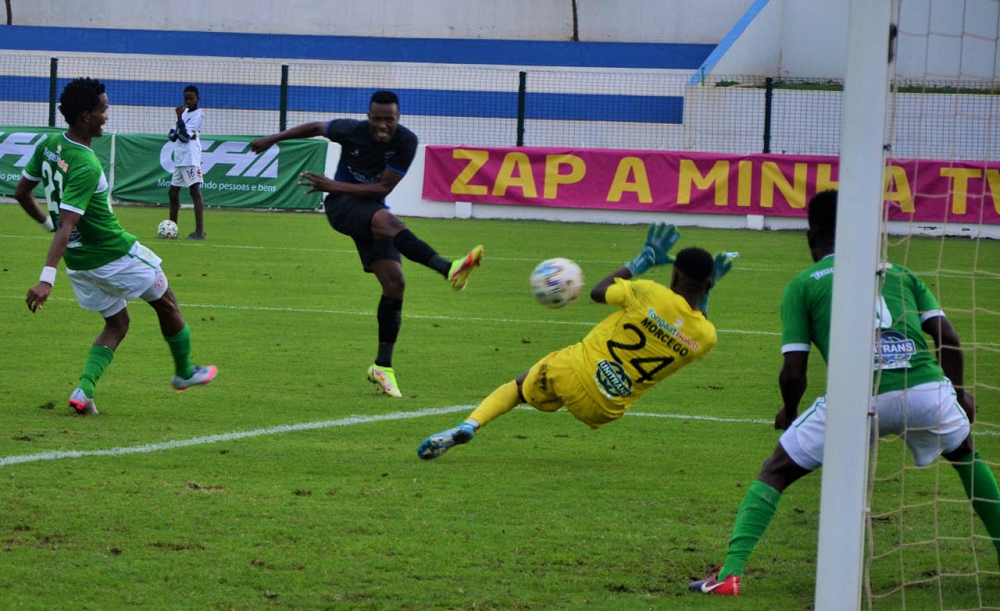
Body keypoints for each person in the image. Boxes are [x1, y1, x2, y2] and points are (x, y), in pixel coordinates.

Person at [689, 190, 1000, 596]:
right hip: (924, 389)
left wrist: (790, 411)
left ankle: (729, 575)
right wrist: (959, 394)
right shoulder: (901, 273)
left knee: (776, 471)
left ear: (810, 235)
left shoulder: (803, 284)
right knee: (966, 455)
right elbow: (949, 339)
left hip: (856, 399)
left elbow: (794, 370)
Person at [417, 223, 735, 459]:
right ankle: (476, 423)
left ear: (674, 276)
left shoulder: (651, 292)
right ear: (708, 284)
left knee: (519, 387)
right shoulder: (707, 337)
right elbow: (696, 320)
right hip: (605, 408)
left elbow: (598, 292)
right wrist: (707, 290)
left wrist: (642, 260)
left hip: (572, 371)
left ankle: (471, 425)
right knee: (562, 390)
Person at [250, 90, 483, 398]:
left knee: (395, 283)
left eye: (389, 119)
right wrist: (272, 139)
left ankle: (382, 367)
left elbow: (383, 187)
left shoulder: (406, 142)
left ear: (398, 118)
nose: (383, 125)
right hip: (341, 207)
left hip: (369, 205)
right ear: (368, 117)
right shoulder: (350, 130)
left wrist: (333, 183)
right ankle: (448, 268)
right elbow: (317, 127)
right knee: (389, 223)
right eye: (377, 119)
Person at [16, 77, 217, 416]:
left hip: (79, 263)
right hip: (113, 254)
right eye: (103, 110)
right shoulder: (86, 164)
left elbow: (22, 193)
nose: (107, 116)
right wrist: (46, 278)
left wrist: (46, 224)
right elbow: (67, 224)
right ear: (85, 116)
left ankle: (84, 390)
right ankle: (184, 371)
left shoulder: (50, 144)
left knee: (117, 323)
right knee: (166, 301)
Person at [167, 85, 206, 240]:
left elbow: (183, 137)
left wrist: (179, 120)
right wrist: (179, 123)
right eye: (186, 99)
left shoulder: (198, 115)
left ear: (197, 99)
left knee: (194, 192)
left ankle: (199, 232)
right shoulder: (184, 113)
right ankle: (172, 229)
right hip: (180, 158)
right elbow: (172, 135)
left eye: (191, 98)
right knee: (172, 192)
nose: (188, 101)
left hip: (190, 158)